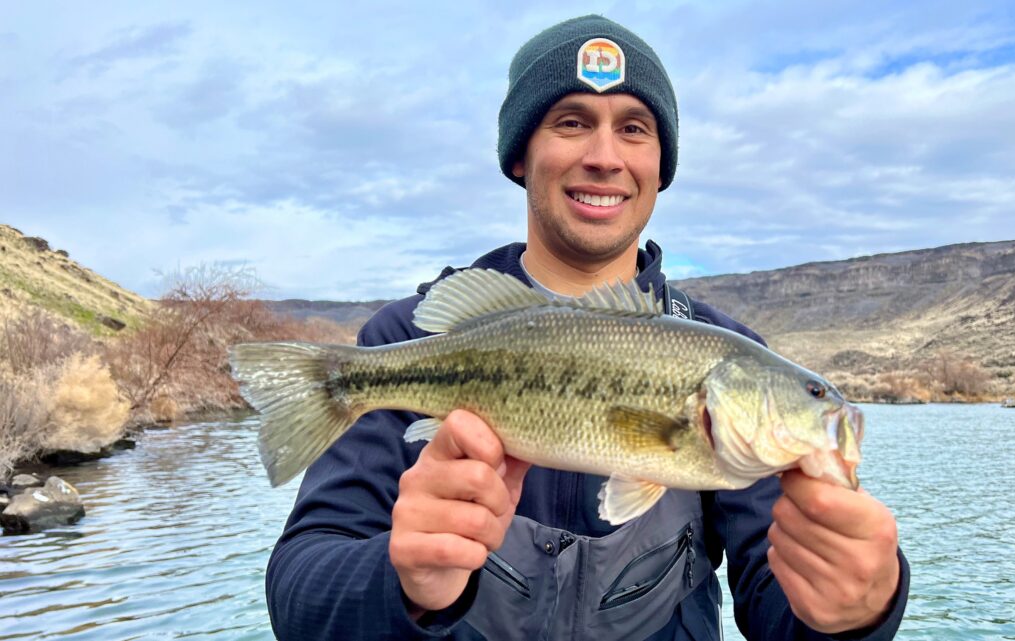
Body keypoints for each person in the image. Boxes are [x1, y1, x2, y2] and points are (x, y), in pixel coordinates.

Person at [265, 14, 909, 641]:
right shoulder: (407, 339)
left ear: (661, 166)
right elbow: (299, 598)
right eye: (571, 122)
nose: (604, 157)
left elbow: (780, 613)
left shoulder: (730, 352)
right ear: (521, 155)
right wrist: (404, 582)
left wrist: (857, 610)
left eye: (634, 128)